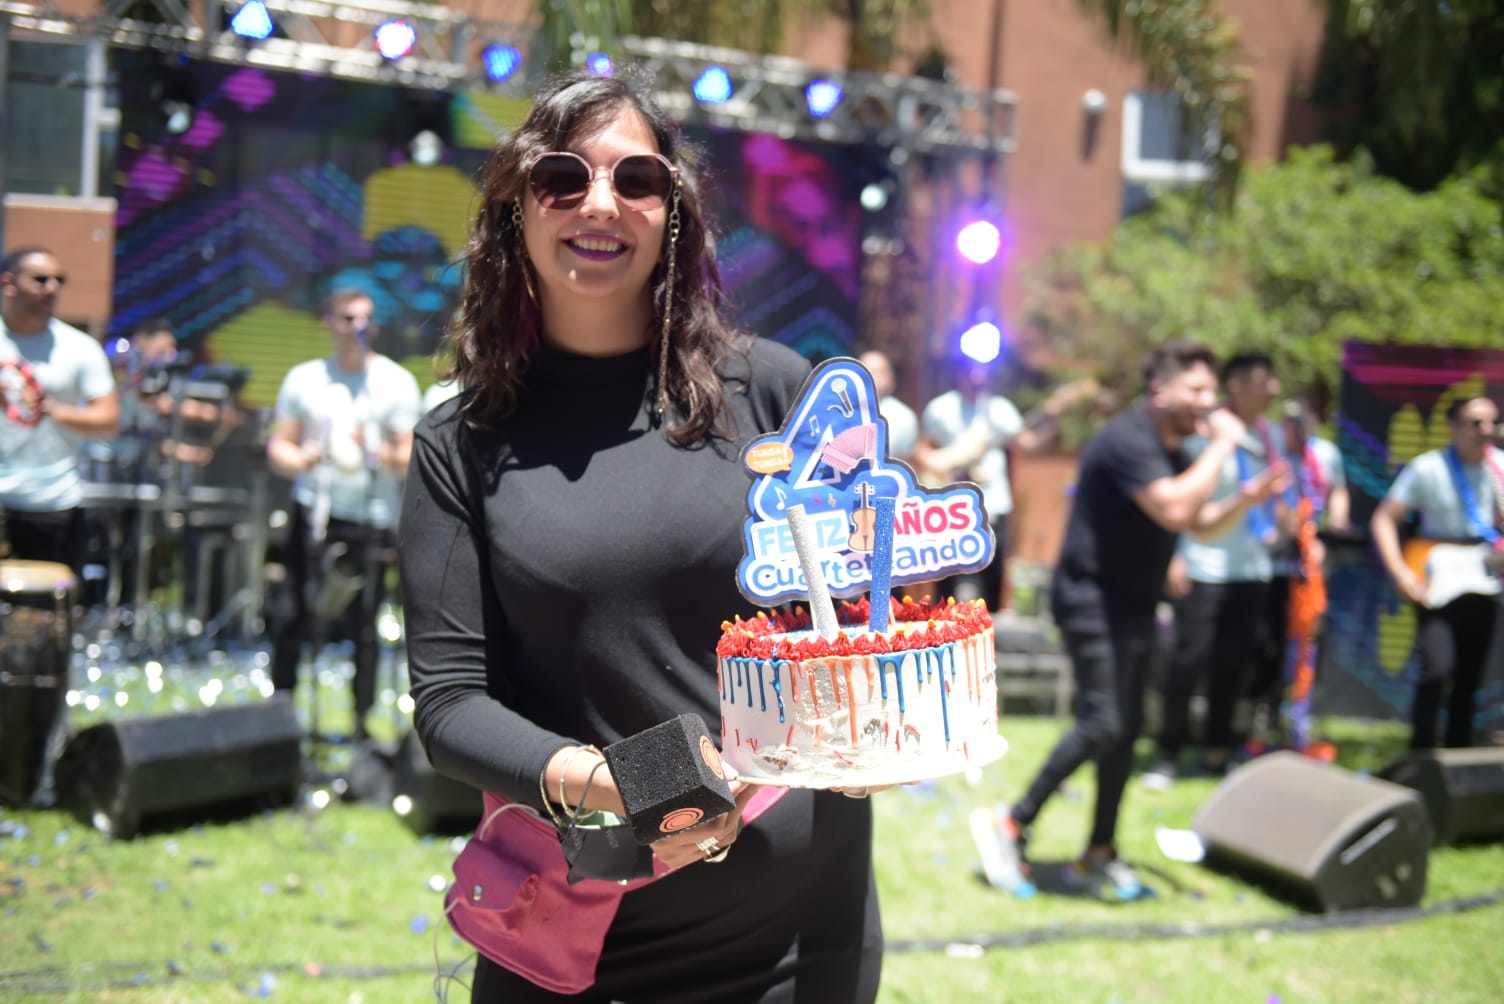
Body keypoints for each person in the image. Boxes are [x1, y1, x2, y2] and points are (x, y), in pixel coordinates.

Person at [399, 71, 881, 1002]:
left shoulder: (776, 394)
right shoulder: (461, 443)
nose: (599, 204)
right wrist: (628, 779)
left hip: (800, 939)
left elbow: (850, 622)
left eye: (637, 180)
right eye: (562, 178)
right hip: (576, 944)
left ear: (674, 212)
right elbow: (450, 709)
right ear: (516, 210)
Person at [990, 340, 1286, 900]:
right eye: (1196, 390)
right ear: (1160, 390)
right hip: (1090, 600)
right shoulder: (1129, 439)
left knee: (1126, 732)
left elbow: (1197, 524)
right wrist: (1222, 447)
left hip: (1133, 604)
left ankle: (1099, 851)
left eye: (1211, 392)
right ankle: (1012, 820)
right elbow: (1174, 508)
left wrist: (1246, 498)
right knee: (1103, 721)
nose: (1208, 402)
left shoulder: (1174, 447)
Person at [265, 288, 421, 741]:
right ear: (330, 322)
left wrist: (373, 451)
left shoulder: (394, 382)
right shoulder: (306, 379)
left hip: (371, 517)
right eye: (350, 317)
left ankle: (360, 723)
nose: (360, 326)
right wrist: (303, 459)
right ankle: (282, 714)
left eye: (367, 318)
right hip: (315, 510)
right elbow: (281, 445)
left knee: (365, 624)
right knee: (293, 610)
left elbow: (409, 455)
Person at [1144, 352, 1289, 787]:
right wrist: (1172, 556)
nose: (1274, 390)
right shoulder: (1202, 433)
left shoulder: (1271, 435)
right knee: (1187, 661)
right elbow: (1181, 505)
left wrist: (1281, 521)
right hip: (1202, 564)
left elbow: (1276, 492)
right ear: (1237, 386)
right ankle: (1167, 751)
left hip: (1252, 566)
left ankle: (1216, 750)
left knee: (1234, 664)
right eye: (1265, 380)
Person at [1370, 395, 1502, 750]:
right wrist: (1399, 572)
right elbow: (1384, 519)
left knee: (1470, 676)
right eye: (1476, 423)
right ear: (1453, 426)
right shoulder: (1428, 468)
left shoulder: (1500, 468)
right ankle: (1422, 754)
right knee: (1436, 667)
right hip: (1437, 578)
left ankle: (1459, 759)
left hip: (1484, 577)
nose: (1486, 431)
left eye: (1492, 423)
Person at [0, 247, 120, 572]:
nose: (52, 287)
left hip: (53, 503)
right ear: (8, 282)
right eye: (40, 279)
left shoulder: (79, 348)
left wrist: (53, 409)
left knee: (44, 616)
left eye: (59, 280)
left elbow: (109, 419)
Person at [1244, 394, 1351, 746]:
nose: (1296, 428)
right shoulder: (1271, 456)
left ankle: (1300, 715)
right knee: (1269, 642)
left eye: (1302, 421)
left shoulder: (1324, 454)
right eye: (1289, 422)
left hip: (1312, 565)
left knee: (1309, 641)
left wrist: (1332, 523)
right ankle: (1263, 713)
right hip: (1275, 563)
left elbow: (1337, 491)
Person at [857, 348, 917, 463]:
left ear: (891, 379)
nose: (873, 377)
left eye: (879, 372)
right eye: (866, 371)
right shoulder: (837, 411)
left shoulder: (904, 417)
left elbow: (905, 462)